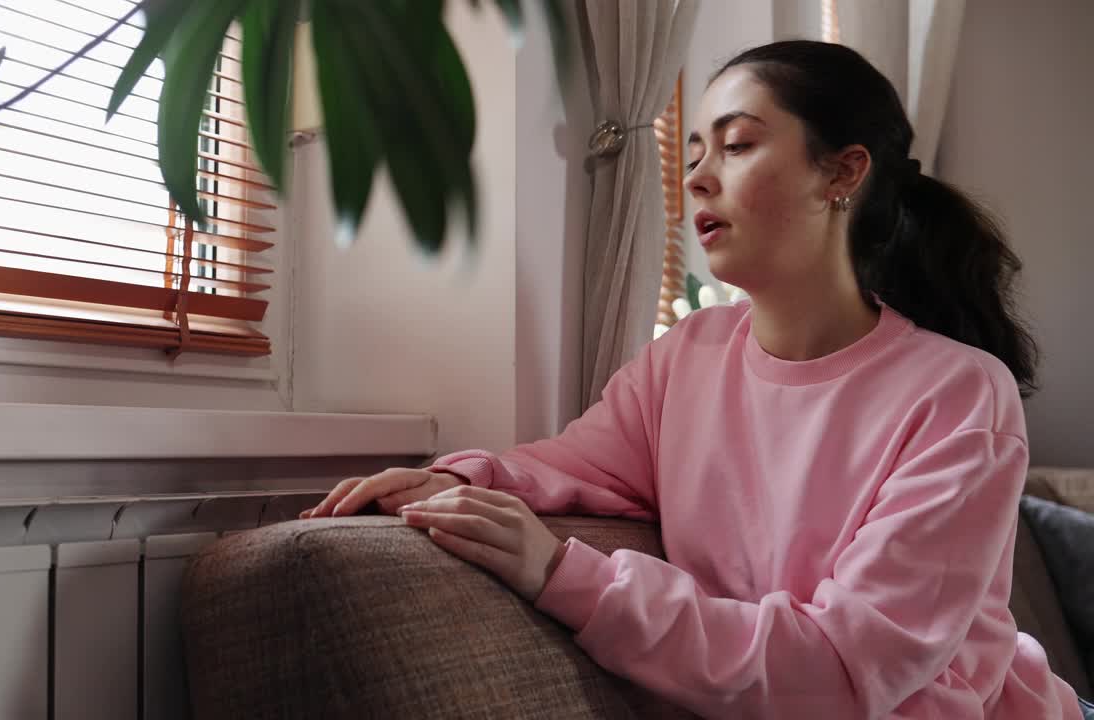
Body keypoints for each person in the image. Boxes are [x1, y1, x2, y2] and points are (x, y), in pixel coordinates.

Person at [300, 40, 1092, 719]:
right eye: (695, 154)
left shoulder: (958, 395)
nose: (699, 180)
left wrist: (563, 574)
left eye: (739, 145)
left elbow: (844, 675)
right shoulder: (688, 355)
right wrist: (447, 479)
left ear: (843, 172)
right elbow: (569, 467)